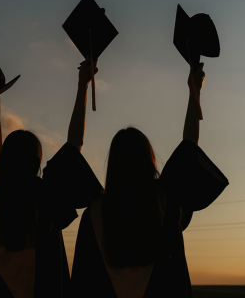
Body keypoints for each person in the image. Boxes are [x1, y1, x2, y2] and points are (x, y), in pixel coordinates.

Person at [69, 62, 229, 298]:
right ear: (149, 161)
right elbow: (189, 148)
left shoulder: (94, 214)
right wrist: (194, 90)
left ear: (112, 166)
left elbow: (72, 151)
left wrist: (83, 87)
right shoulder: (167, 202)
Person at [0, 61, 100, 298]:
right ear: (37, 164)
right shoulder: (48, 199)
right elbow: (74, 146)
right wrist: (82, 86)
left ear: (3, 163)